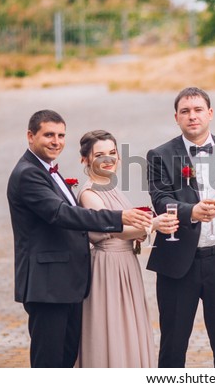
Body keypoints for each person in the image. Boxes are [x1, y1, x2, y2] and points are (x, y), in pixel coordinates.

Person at [7, 110, 152, 368]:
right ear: (31, 136)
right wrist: (120, 218)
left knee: (66, 358)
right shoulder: (28, 174)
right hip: (47, 286)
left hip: (67, 283)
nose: (56, 141)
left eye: (61, 135)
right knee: (49, 363)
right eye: (48, 135)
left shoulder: (49, 171)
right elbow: (61, 213)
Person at [146, 87, 215, 367]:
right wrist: (190, 211)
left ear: (210, 113)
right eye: (185, 111)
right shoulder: (159, 154)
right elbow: (160, 198)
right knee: (173, 344)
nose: (193, 116)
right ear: (176, 117)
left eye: (198, 110)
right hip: (178, 263)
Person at [75, 130, 179, 367]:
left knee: (128, 325)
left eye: (112, 153)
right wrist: (152, 225)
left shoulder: (111, 188)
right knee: (111, 326)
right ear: (86, 160)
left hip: (125, 264)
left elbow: (127, 228)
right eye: (100, 154)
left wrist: (140, 232)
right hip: (107, 268)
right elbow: (113, 229)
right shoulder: (90, 193)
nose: (108, 159)